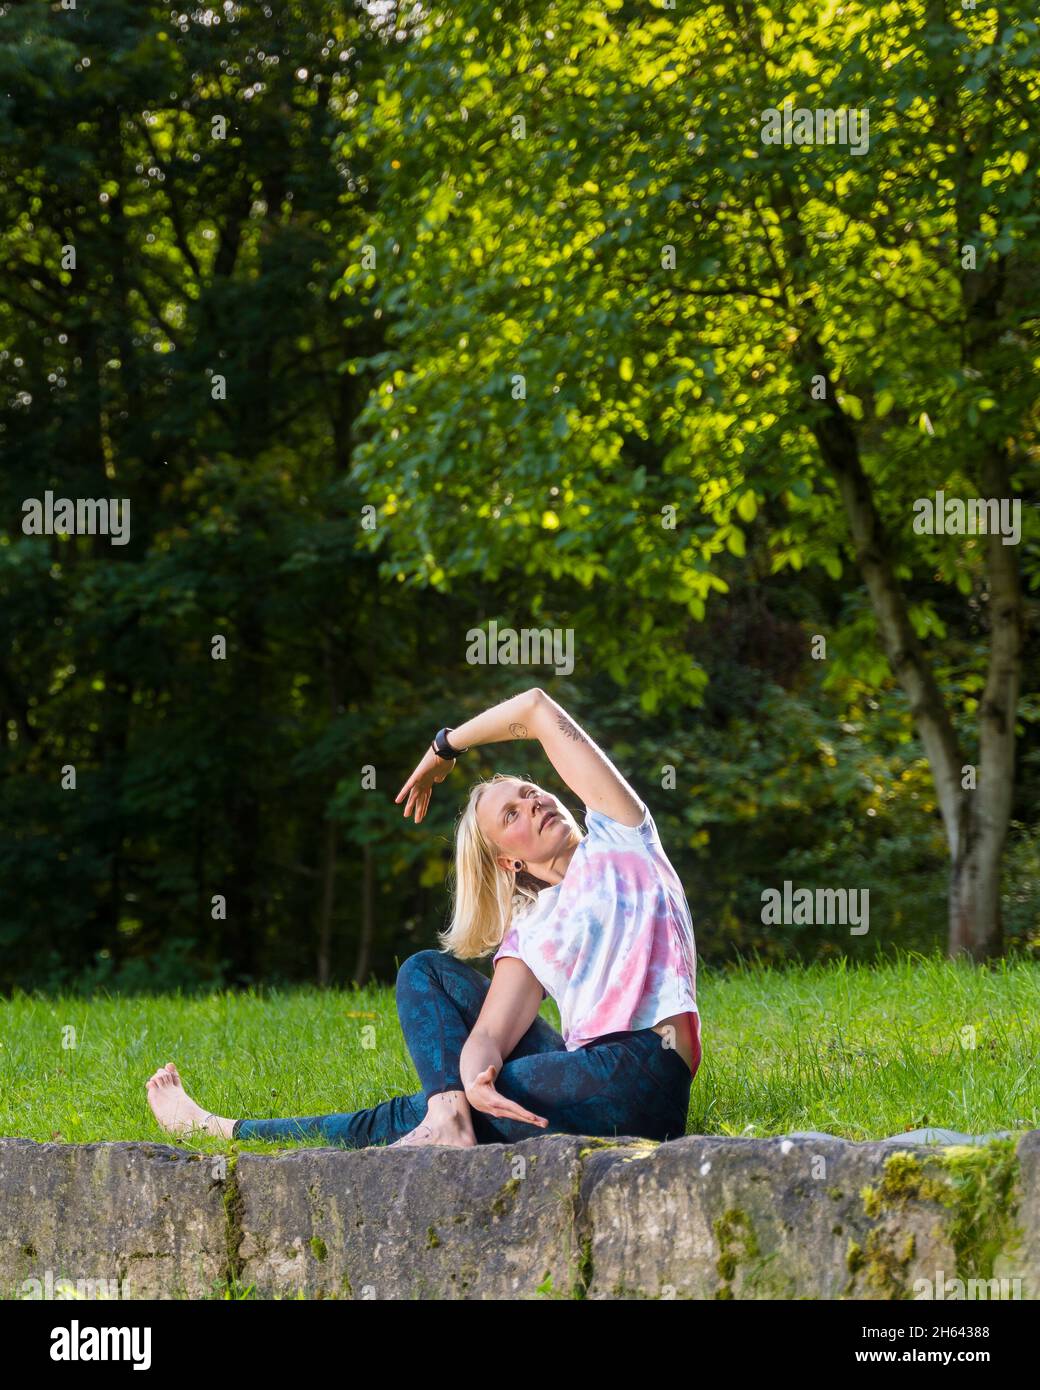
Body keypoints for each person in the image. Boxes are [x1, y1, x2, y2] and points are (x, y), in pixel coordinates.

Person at [146, 687, 702, 1149]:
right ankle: (451, 1116)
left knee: (407, 1113)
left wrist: (446, 747)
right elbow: (486, 1036)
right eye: (513, 812)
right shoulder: (533, 929)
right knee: (424, 971)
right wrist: (474, 1082)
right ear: (507, 861)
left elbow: (535, 708)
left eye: (531, 793)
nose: (536, 803)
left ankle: (228, 1131)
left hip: (645, 1073)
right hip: (576, 1083)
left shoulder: (623, 839)